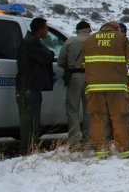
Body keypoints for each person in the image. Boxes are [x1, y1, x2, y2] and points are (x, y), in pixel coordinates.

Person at [82, 21, 129, 159]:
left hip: (94, 87)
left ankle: (101, 151)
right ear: (117, 29)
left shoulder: (89, 39)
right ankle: (125, 151)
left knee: (98, 118)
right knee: (119, 118)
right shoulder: (121, 38)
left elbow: (84, 63)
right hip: (117, 87)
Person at [16, 17, 55, 155]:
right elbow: (47, 56)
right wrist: (50, 53)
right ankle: (29, 150)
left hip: (28, 85)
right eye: (46, 28)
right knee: (31, 120)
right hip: (29, 86)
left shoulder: (31, 41)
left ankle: (30, 148)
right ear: (40, 29)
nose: (47, 31)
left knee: (30, 119)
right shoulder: (32, 42)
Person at [57, 20, 92, 147]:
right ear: (89, 30)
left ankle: (75, 141)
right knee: (89, 109)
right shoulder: (94, 41)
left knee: (73, 109)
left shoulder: (70, 41)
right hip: (91, 77)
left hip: (74, 76)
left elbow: (61, 61)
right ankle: (89, 140)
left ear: (77, 30)